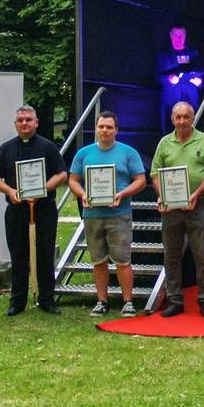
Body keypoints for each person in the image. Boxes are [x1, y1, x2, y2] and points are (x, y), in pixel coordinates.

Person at [0, 105, 68, 316]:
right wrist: (10, 190)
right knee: (18, 255)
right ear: (15, 124)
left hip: (44, 209)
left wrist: (43, 189)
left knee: (44, 253)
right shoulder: (6, 149)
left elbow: (62, 175)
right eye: (21, 120)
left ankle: (46, 299)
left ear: (36, 123)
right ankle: (17, 301)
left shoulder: (48, 147)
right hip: (16, 210)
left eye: (28, 120)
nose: (24, 123)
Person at [67, 111, 147, 319]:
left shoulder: (128, 153)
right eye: (101, 126)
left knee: (122, 260)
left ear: (116, 130)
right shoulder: (84, 154)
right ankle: (101, 301)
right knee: (98, 261)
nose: (104, 130)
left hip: (119, 213)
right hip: (92, 214)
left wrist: (122, 193)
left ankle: (127, 302)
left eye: (109, 127)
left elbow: (140, 180)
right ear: (96, 128)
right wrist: (83, 194)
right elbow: (73, 180)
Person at [151, 101, 204, 317]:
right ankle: (174, 300)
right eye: (178, 117)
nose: (182, 121)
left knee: (202, 254)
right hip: (171, 207)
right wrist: (163, 195)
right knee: (171, 255)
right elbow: (155, 172)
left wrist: (196, 194)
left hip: (198, 205)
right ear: (172, 119)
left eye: (186, 117)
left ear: (192, 119)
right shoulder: (164, 143)